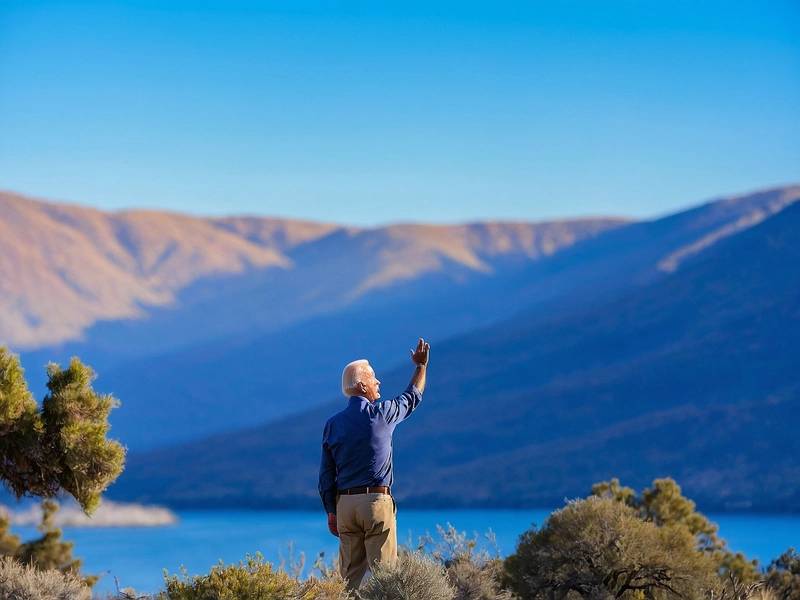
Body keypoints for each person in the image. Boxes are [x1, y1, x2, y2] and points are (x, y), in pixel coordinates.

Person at [318, 337, 430, 591]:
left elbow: (326, 474)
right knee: (385, 578)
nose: (378, 381)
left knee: (349, 581)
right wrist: (421, 367)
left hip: (345, 506)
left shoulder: (332, 425)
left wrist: (331, 511)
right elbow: (412, 397)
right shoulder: (381, 414)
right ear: (361, 385)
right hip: (375, 503)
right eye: (372, 377)